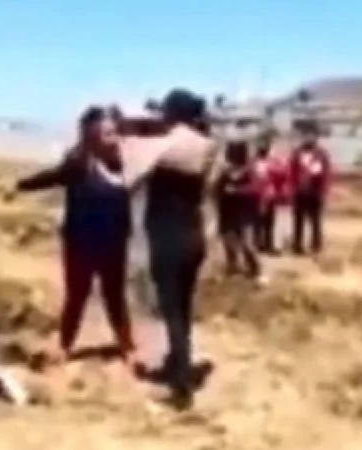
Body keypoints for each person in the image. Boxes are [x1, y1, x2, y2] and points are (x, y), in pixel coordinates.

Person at [11, 105, 135, 366]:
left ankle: (127, 346)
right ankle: (65, 346)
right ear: (93, 135)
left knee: (115, 297)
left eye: (115, 132)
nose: (114, 138)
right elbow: (50, 177)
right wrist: (19, 186)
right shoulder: (79, 164)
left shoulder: (124, 165)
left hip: (114, 245)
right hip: (81, 244)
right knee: (77, 297)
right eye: (108, 133)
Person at [123, 89, 217, 408]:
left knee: (171, 310)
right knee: (183, 307)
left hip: (168, 238)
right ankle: (177, 362)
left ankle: (181, 385)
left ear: (172, 113)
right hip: (193, 235)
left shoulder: (165, 145)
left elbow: (130, 177)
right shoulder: (206, 146)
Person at [215, 140, 262, 281]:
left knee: (247, 243)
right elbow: (216, 189)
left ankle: (255, 269)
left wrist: (237, 191)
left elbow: (255, 189)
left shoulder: (250, 171)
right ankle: (232, 267)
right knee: (228, 241)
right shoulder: (225, 172)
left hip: (245, 213)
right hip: (227, 212)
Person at [289, 121, 331, 255]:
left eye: (311, 135)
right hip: (299, 192)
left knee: (315, 220)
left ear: (316, 137)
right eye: (306, 135)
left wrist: (323, 190)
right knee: (298, 220)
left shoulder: (321, 154)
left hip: (315, 192)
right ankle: (297, 245)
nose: (308, 138)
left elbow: (326, 173)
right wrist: (293, 188)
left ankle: (316, 245)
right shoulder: (296, 153)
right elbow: (292, 171)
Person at [252, 134, 289, 255]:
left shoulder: (273, 162)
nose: (263, 148)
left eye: (265, 146)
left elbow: (282, 175)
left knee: (270, 222)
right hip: (256, 196)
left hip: (269, 195)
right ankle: (258, 245)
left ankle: (269, 245)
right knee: (257, 222)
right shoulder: (252, 162)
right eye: (260, 146)